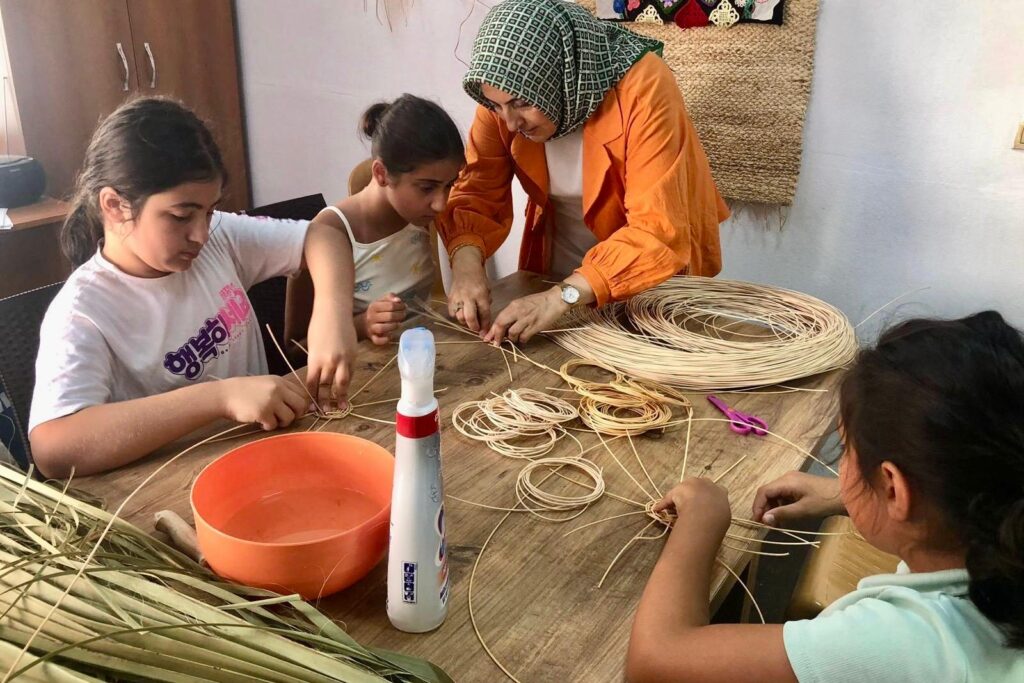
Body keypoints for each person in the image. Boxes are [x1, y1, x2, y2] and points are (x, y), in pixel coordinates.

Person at [626, 312, 1024, 682]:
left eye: (847, 450)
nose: (843, 466)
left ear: (894, 489)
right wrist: (845, 496)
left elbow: (654, 662)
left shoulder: (913, 640)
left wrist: (702, 520)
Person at [28, 97, 358, 478]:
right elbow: (53, 448)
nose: (200, 233)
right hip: (173, 490)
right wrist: (219, 397)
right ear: (115, 206)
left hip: (266, 457)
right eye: (181, 216)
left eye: (210, 211)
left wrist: (332, 315)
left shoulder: (219, 238)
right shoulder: (83, 312)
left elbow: (323, 238)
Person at [436, 0, 729, 345]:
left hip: (650, 272)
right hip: (561, 268)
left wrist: (561, 298)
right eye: (497, 107)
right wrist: (467, 267)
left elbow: (656, 230)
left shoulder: (644, 87)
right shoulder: (503, 97)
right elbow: (476, 192)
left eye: (521, 104)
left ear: (558, 76)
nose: (511, 123)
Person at [314, 95, 465, 345]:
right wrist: (362, 325)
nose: (441, 203)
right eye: (427, 187)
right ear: (381, 174)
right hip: (363, 376)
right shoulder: (329, 233)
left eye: (450, 185)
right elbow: (294, 349)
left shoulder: (419, 213)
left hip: (423, 356)